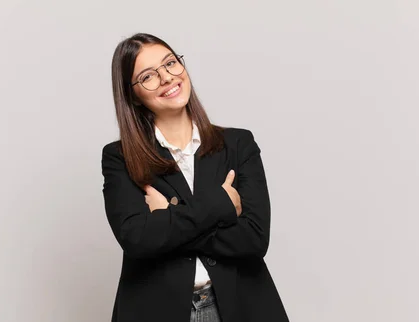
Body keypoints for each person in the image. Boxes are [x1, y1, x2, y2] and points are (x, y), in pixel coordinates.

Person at [101, 33, 290, 322]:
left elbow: (254, 238)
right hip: (157, 310)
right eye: (148, 76)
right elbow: (138, 240)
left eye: (171, 63)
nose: (167, 78)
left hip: (241, 306)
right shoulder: (120, 157)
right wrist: (221, 205)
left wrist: (169, 217)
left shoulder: (238, 145)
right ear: (133, 95)